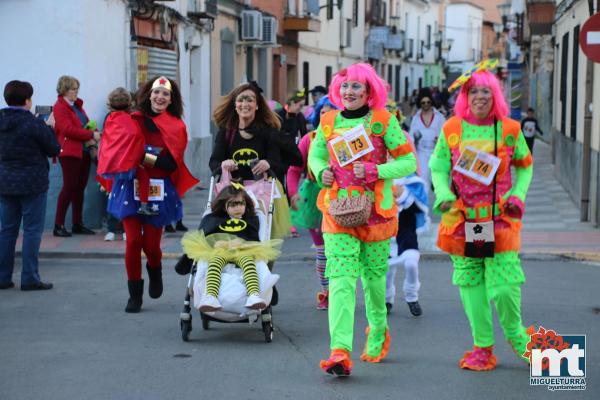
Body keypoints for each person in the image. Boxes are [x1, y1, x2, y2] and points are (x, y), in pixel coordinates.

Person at [308, 63, 417, 376]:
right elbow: (315, 155)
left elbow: (409, 161)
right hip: (338, 212)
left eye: (356, 87)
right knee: (341, 281)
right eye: (345, 86)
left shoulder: (384, 121)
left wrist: (376, 171)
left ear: (370, 91)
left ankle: (378, 331)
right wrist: (320, 172)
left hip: (376, 214)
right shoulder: (328, 121)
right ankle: (339, 351)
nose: (349, 92)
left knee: (372, 282)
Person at [429, 60, 534, 371]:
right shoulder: (452, 129)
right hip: (466, 222)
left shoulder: (511, 130)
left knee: (504, 287)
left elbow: (525, 167)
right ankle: (483, 346)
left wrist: (518, 194)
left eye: (487, 91)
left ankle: (519, 339)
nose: (480, 97)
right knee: (472, 286)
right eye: (474, 91)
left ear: (496, 95)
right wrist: (444, 194)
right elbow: (437, 167)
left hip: (500, 220)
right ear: (465, 95)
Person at [101, 76, 199, 313]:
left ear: (171, 99)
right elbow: (113, 142)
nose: (160, 97)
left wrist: (140, 155)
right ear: (148, 95)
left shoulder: (177, 126)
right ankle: (135, 295)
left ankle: (155, 271)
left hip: (159, 188)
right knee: (133, 241)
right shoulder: (132, 119)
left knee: (151, 245)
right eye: (156, 92)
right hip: (130, 186)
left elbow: (169, 164)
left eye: (165, 94)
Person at [209, 81, 291, 240]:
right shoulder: (227, 132)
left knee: (264, 239)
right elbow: (214, 162)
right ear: (235, 104)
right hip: (232, 192)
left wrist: (268, 163)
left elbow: (279, 165)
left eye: (250, 100)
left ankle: (264, 265)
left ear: (257, 105)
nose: (244, 104)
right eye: (241, 100)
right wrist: (223, 165)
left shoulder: (267, 132)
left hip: (262, 193)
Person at [181, 184, 281, 312]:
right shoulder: (214, 219)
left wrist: (243, 244)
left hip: (244, 250)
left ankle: (253, 295)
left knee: (248, 262)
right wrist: (216, 244)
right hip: (221, 250)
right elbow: (205, 235)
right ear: (224, 206)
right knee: (214, 263)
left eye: (241, 204)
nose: (238, 208)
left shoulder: (251, 220)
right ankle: (210, 296)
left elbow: (254, 238)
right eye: (233, 205)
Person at [0, 80, 60, 290]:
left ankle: (2, 277)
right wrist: (50, 128)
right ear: (27, 101)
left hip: (5, 182)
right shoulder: (34, 124)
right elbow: (54, 149)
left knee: (7, 231)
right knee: (32, 231)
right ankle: (29, 278)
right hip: (33, 183)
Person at [288, 95, 338, 310]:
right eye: (323, 112)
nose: (327, 116)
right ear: (318, 114)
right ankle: (327, 292)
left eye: (332, 111)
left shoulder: (348, 137)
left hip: (342, 197)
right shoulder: (309, 139)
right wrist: (293, 193)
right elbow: (294, 169)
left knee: (338, 250)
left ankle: (340, 290)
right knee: (322, 250)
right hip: (313, 197)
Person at [52, 75, 101, 237]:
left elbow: (82, 124)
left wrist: (91, 132)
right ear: (64, 90)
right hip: (70, 152)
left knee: (79, 188)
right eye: (73, 89)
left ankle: (77, 223)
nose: (76, 92)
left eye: (77, 89)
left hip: (84, 151)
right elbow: (67, 129)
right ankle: (58, 225)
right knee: (68, 187)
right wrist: (90, 134)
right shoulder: (60, 107)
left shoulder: (77, 106)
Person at [97, 87, 155, 217]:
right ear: (130, 104)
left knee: (114, 181)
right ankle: (144, 205)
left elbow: (107, 141)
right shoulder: (132, 120)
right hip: (129, 164)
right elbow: (137, 138)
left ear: (110, 104)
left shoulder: (110, 119)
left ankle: (111, 196)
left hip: (112, 163)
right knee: (144, 176)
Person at [409, 88, 446, 200]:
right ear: (420, 103)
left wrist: (440, 141)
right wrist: (414, 140)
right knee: (423, 178)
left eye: (428, 102)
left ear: (432, 102)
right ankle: (423, 204)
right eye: (423, 102)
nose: (426, 104)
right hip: (421, 152)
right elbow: (410, 137)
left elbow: (445, 134)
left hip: (436, 152)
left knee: (437, 179)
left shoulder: (439, 117)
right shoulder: (416, 118)